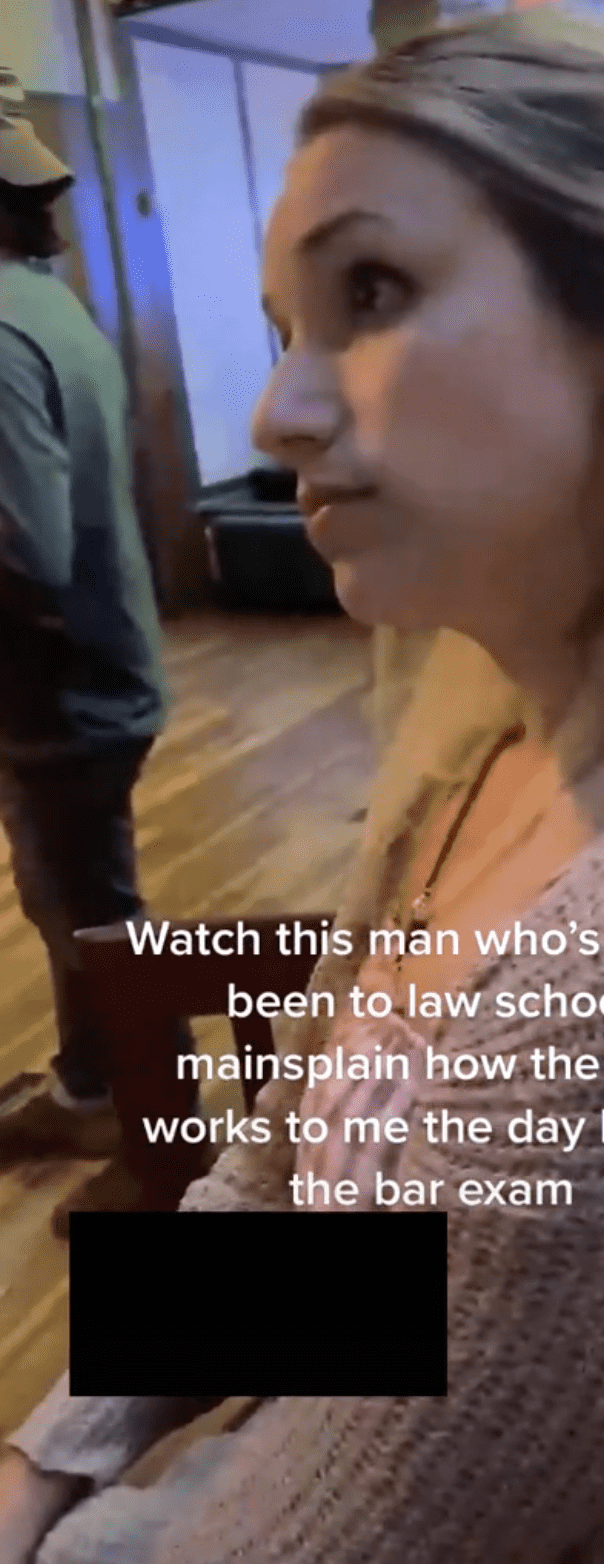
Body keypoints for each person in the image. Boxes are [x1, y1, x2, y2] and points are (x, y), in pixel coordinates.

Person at [3, 8, 604, 1561]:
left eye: (374, 292)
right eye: (285, 326)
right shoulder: (483, 760)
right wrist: (45, 1461)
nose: (277, 413)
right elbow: (284, 1182)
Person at [0, 71, 181, 1225]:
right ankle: (88, 1086)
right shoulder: (47, 305)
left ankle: (156, 1132)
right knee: (71, 897)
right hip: (98, 672)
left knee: (92, 913)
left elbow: (27, 547)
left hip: (59, 692)